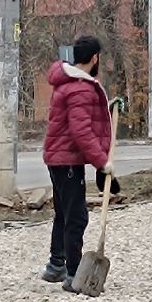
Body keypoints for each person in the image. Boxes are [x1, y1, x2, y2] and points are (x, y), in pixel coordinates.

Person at [41, 35, 114, 287]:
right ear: (95, 58)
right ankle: (73, 274)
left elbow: (81, 120)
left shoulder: (67, 82)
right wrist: (102, 162)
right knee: (76, 217)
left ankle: (56, 265)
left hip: (58, 158)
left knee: (63, 213)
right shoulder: (80, 88)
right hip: (68, 161)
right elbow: (80, 131)